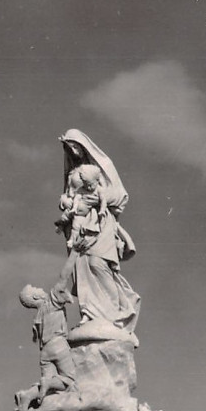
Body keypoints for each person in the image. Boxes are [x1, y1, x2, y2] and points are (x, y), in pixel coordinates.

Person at [53, 129, 140, 338]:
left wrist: (98, 200)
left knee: (98, 263)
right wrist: (65, 203)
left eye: (75, 146)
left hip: (101, 223)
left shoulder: (102, 165)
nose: (73, 151)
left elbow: (120, 196)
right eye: (69, 147)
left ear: (83, 145)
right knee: (82, 266)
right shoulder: (72, 173)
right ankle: (89, 313)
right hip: (79, 223)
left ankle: (118, 310)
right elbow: (68, 196)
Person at [14, 284, 78, 411]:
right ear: (36, 296)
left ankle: (27, 395)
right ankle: (47, 382)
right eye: (36, 288)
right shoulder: (50, 303)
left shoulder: (38, 316)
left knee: (49, 390)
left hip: (45, 351)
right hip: (58, 345)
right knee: (70, 380)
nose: (41, 289)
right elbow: (62, 289)